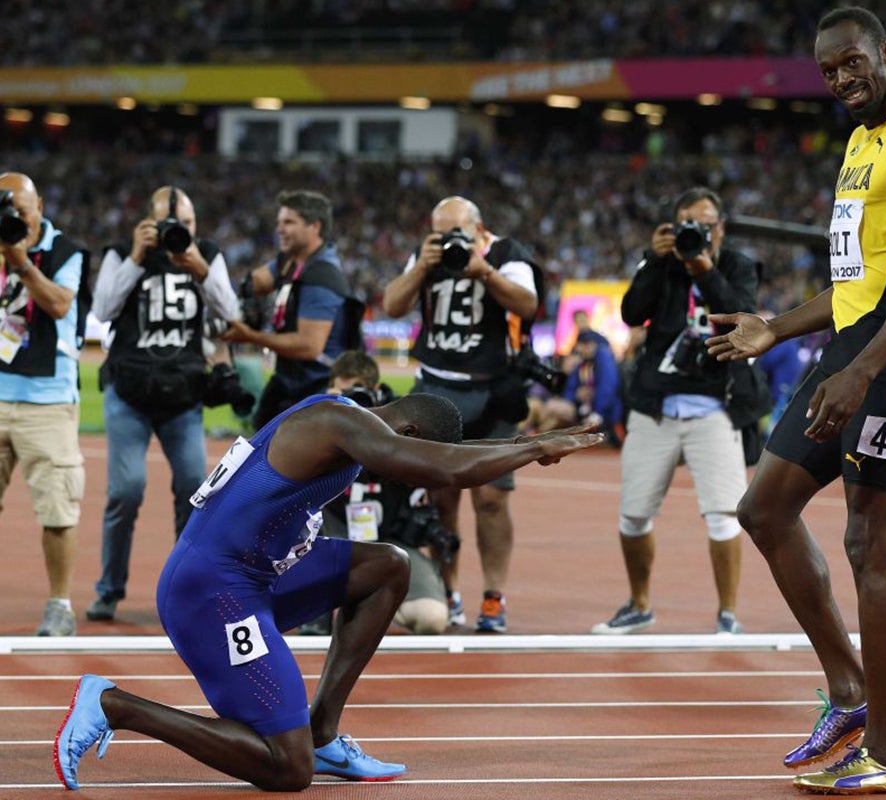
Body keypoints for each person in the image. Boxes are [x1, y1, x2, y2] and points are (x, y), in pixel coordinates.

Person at [53, 391, 602, 791]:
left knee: (387, 566)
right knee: (288, 769)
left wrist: (518, 443)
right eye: (413, 456)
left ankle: (322, 732)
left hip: (255, 575)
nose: (409, 474)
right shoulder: (337, 423)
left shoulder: (352, 423)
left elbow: (442, 457)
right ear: (407, 437)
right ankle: (114, 705)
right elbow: (446, 470)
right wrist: (532, 450)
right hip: (213, 594)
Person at [705, 7, 886, 794]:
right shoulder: (859, 143)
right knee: (763, 510)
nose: (843, 80)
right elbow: (857, 280)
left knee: (867, 545)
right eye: (828, 71)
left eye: (853, 63)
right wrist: (778, 329)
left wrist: (860, 374)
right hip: (850, 352)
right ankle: (848, 691)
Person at [591, 186, 763, 636]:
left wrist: (702, 266)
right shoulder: (660, 264)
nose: (697, 233)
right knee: (633, 514)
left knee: (725, 515)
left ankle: (728, 614)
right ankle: (639, 603)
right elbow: (631, 314)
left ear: (720, 228)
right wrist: (653, 258)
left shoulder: (738, 265)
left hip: (715, 407)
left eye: (705, 225)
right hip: (656, 407)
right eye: (689, 224)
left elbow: (739, 315)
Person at [381, 196, 541, 633]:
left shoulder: (507, 255)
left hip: (491, 390)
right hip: (435, 388)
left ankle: (493, 596)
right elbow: (392, 306)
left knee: (491, 499)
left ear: (479, 228)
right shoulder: (426, 255)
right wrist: (420, 267)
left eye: (457, 232)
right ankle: (448, 590)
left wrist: (483, 271)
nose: (449, 240)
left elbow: (528, 305)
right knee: (440, 499)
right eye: (439, 232)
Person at [86, 185, 241, 622]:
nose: (179, 231)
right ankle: (109, 589)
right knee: (125, 490)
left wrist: (201, 269)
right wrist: (137, 257)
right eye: (170, 223)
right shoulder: (123, 253)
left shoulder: (207, 255)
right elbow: (101, 309)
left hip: (183, 396)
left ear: (197, 225)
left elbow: (232, 313)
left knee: (195, 490)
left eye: (187, 224)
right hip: (129, 393)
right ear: (147, 224)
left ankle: (185, 592)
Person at [300, 350, 454, 636]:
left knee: (431, 619)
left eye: (356, 392)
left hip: (387, 537)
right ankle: (316, 603)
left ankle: (375, 600)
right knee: (305, 521)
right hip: (333, 534)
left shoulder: (403, 424)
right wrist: (327, 412)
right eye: (342, 393)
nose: (350, 401)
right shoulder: (315, 420)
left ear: (375, 391)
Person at [0, 172, 90, 637]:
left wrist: (19, 261)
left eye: (23, 209)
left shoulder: (65, 251)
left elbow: (57, 305)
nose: (16, 218)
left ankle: (60, 605)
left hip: (47, 399)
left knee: (58, 510)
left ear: (40, 208)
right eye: (7, 210)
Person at [221, 189, 364, 430]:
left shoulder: (321, 276)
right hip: (288, 381)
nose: (280, 229)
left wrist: (249, 335)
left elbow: (309, 346)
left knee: (288, 461)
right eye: (279, 222)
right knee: (258, 444)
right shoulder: (290, 262)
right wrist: (210, 275)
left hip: (316, 388)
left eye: (289, 222)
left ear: (315, 226)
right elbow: (253, 282)